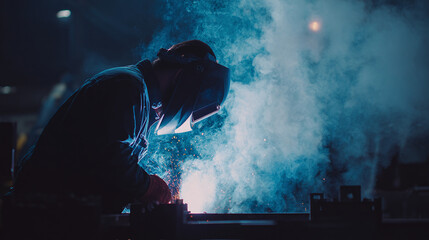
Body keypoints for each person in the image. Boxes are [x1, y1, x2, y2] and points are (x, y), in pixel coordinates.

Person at [11, 40, 230, 214]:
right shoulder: (128, 87)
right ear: (181, 76)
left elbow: (98, 169)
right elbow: (113, 159)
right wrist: (148, 187)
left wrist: (135, 197)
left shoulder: (140, 95)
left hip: (62, 211)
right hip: (45, 214)